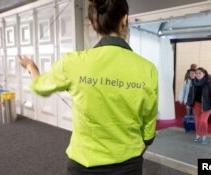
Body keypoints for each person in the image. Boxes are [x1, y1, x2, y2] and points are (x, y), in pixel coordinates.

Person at [18, 0, 158, 174]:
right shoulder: (148, 69)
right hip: (128, 164)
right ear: (125, 19)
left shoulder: (73, 62)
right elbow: (149, 124)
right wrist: (141, 145)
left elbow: (40, 86)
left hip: (84, 165)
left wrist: (32, 67)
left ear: (93, 24)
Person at [187, 67, 211, 144]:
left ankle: (204, 137)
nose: (198, 74)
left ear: (203, 74)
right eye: (196, 73)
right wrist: (189, 103)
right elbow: (190, 94)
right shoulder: (193, 82)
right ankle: (198, 136)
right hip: (196, 105)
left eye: (200, 73)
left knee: (203, 121)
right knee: (197, 121)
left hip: (206, 106)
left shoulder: (208, 83)